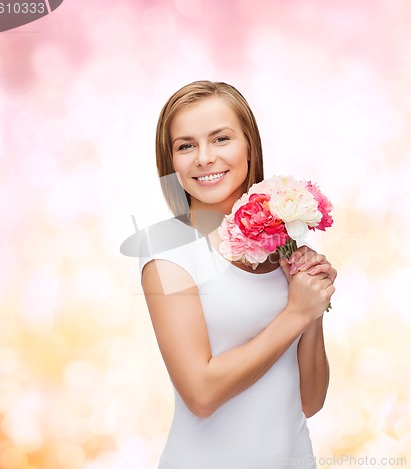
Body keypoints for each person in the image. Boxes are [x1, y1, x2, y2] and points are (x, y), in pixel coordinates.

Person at [139, 80, 336, 469]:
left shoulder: (285, 247)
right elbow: (201, 393)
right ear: (172, 163)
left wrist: (312, 305)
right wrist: (295, 313)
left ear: (249, 145)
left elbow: (310, 401)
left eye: (221, 139)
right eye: (186, 145)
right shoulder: (168, 250)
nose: (204, 158)